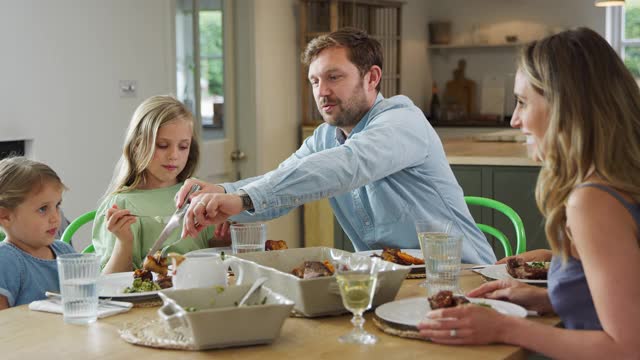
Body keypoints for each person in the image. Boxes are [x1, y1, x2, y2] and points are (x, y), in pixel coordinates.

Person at [176, 28, 496, 265]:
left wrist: (243, 197)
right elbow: (283, 182)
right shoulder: (326, 136)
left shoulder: (402, 121)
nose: (322, 91)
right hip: (388, 279)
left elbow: (346, 165)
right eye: (315, 81)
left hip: (459, 275)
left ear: (371, 78)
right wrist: (220, 192)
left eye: (334, 77)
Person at [417, 27, 640, 359]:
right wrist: (551, 296)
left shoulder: (593, 200)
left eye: (522, 102)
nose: (514, 120)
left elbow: (627, 347)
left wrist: (503, 327)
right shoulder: (618, 182)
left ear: (566, 106)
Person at [92, 95, 230, 274]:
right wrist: (124, 243)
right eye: (163, 145)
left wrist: (222, 242)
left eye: (183, 147)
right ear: (137, 145)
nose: (174, 155)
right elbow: (110, 282)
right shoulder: (120, 205)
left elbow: (212, 255)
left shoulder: (198, 196)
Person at [0, 157, 76, 309]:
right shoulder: (6, 260)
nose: (55, 217)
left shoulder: (65, 251)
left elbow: (96, 292)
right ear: (5, 216)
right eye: (43, 209)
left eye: (57, 205)